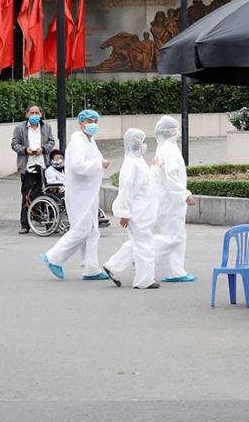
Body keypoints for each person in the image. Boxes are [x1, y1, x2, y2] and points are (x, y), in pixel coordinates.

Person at [39, 110, 110, 281]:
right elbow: (78, 166)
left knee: (92, 230)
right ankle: (54, 257)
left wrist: (98, 163)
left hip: (88, 193)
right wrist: (98, 163)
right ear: (81, 123)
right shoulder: (78, 142)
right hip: (80, 193)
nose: (93, 124)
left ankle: (91, 268)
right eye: (90, 121)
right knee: (82, 229)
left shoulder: (90, 141)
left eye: (95, 121)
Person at [104, 129, 159, 289]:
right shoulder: (131, 164)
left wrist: (155, 168)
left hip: (143, 211)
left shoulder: (137, 161)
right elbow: (126, 189)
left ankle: (113, 266)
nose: (143, 145)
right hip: (138, 212)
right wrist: (124, 213)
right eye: (141, 141)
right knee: (145, 246)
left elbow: (146, 183)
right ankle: (144, 280)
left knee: (137, 243)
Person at [151, 115, 196, 283]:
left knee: (175, 235)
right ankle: (143, 256)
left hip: (168, 200)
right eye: (175, 129)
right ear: (170, 131)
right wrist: (185, 193)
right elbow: (171, 176)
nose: (177, 131)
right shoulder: (169, 149)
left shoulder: (165, 148)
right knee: (173, 237)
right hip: (172, 201)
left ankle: (177, 271)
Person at [12, 105, 55, 234]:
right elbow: (14, 144)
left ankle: (46, 220)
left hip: (43, 165)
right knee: (27, 195)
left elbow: (51, 142)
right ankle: (24, 224)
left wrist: (43, 149)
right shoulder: (20, 128)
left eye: (37, 113)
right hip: (27, 167)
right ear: (27, 115)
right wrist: (26, 150)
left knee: (45, 193)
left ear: (41, 114)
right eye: (32, 113)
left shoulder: (46, 127)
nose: (35, 115)